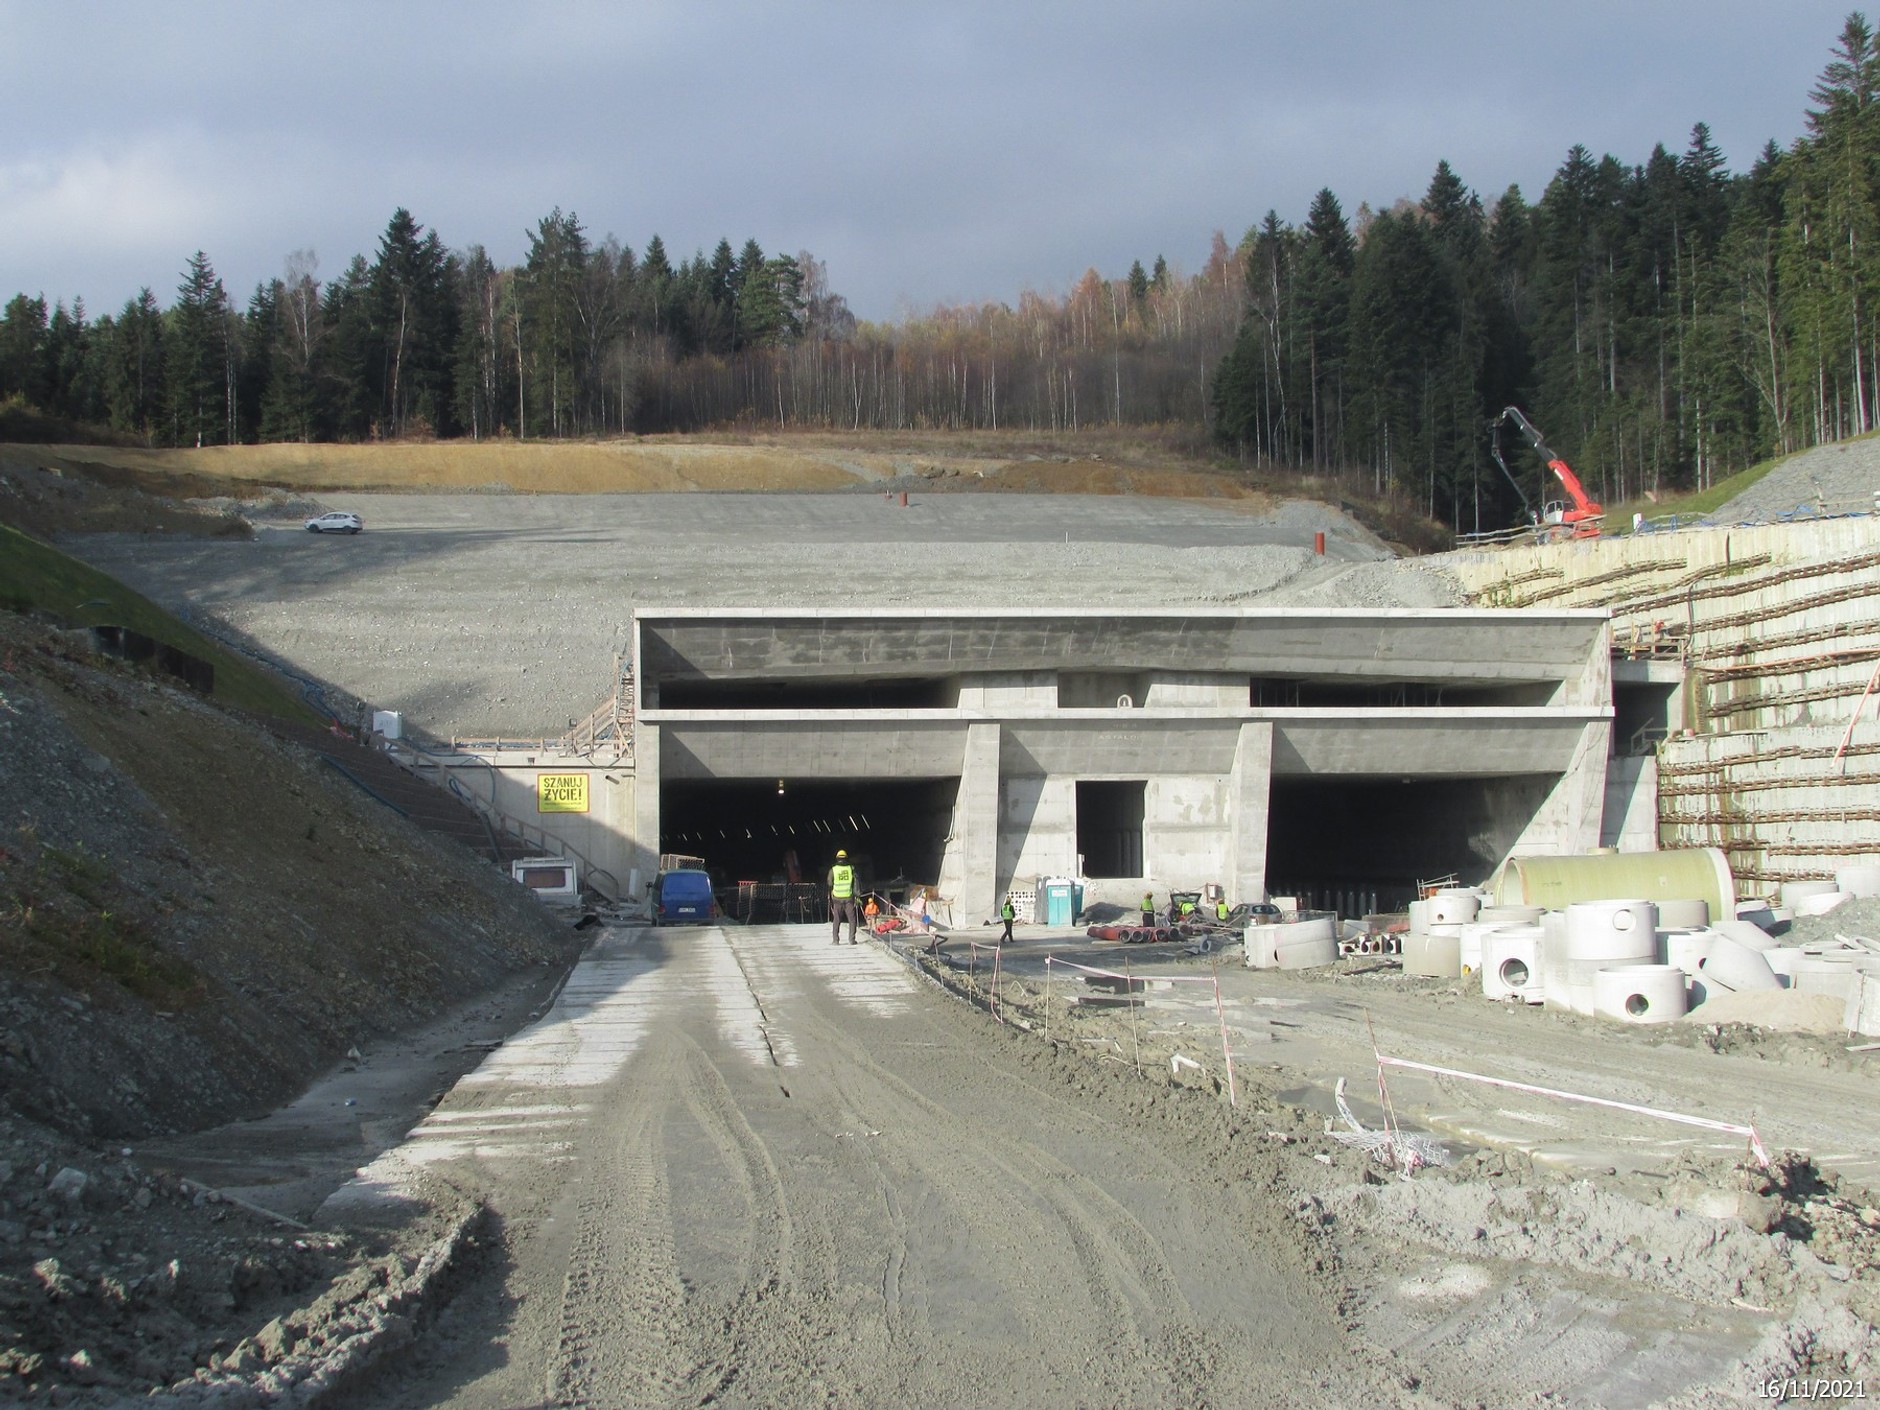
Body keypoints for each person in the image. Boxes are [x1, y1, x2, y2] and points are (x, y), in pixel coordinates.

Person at [828, 850, 859, 945]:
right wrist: (857, 895)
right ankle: (852, 940)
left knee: (836, 919)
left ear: (837, 859)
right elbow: (856, 883)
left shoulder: (833, 869)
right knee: (852, 919)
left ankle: (835, 940)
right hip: (848, 897)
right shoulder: (851, 868)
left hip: (837, 897)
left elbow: (829, 882)